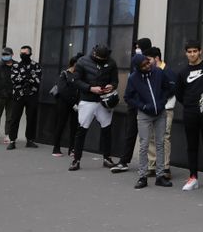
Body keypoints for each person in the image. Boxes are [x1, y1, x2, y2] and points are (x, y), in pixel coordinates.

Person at [125, 52, 176, 189]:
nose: (148, 66)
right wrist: (142, 106)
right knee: (144, 145)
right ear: (138, 67)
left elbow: (168, 87)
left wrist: (162, 101)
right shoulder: (133, 78)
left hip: (160, 113)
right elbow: (128, 97)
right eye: (144, 65)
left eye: (148, 62)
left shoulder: (158, 72)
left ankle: (160, 176)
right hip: (144, 115)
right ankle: (142, 177)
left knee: (160, 143)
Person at [174, 41, 203, 191]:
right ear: (186, 53)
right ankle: (193, 177)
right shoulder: (182, 72)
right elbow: (179, 94)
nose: (192, 54)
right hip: (190, 113)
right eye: (189, 51)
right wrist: (190, 104)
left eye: (195, 51)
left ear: (200, 51)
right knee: (192, 146)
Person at [68, 45, 119, 171]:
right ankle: (76, 160)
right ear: (94, 53)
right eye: (99, 58)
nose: (101, 60)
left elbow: (115, 81)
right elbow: (75, 81)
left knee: (107, 130)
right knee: (81, 130)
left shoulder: (111, 62)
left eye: (104, 59)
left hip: (104, 100)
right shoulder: (82, 61)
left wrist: (111, 86)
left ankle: (107, 158)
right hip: (87, 99)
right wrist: (90, 88)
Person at [111, 38, 155, 173]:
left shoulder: (151, 63)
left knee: (149, 138)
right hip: (134, 104)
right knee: (130, 132)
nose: (136, 50)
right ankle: (124, 161)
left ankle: (151, 165)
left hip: (146, 105)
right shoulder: (136, 63)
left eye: (138, 47)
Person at [8, 46, 43, 149]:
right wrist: (29, 77)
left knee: (31, 118)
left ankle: (30, 140)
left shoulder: (36, 65)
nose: (22, 55)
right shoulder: (16, 66)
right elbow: (14, 79)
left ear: (30, 54)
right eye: (21, 53)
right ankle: (12, 140)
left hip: (32, 95)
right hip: (19, 95)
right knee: (15, 118)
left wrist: (24, 78)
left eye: (25, 53)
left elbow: (38, 80)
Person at [50, 54, 82, 157]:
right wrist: (73, 104)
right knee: (61, 125)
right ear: (75, 64)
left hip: (76, 105)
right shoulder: (64, 74)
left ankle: (72, 148)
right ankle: (56, 148)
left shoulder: (80, 75)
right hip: (63, 103)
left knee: (74, 127)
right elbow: (62, 90)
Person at [0, 48, 17, 147]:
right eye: (3, 54)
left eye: (7, 54)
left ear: (12, 54)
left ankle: (8, 135)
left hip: (12, 95)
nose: (5, 56)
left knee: (10, 117)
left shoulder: (16, 65)